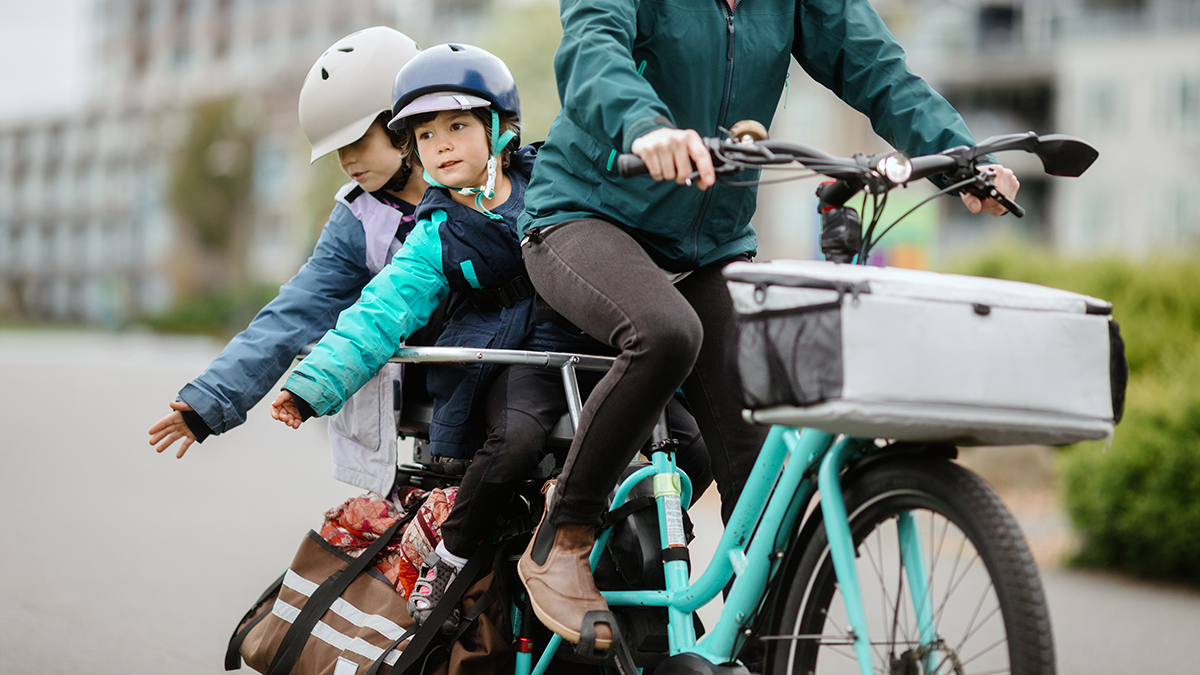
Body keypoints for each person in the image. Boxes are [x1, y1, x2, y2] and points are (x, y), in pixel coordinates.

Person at [513, 0, 1023, 649]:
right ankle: (565, 534)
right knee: (666, 332)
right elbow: (593, 48)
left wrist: (958, 155)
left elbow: (873, 63)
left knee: (763, 467)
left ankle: (756, 649)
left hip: (709, 246)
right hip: (586, 217)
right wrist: (643, 126)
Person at [268, 43, 714, 631]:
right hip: (521, 358)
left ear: (501, 129)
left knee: (693, 445)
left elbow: (616, 160)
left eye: (457, 125)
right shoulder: (434, 235)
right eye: (425, 136)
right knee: (515, 443)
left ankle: (602, 527)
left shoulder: (554, 176)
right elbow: (378, 312)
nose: (442, 144)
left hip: (596, 350)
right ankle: (448, 558)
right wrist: (310, 386)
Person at [146, 27, 430, 496]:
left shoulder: (484, 180)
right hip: (428, 409)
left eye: (356, 140)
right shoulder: (357, 218)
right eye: (337, 148)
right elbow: (293, 311)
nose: (346, 160)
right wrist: (210, 399)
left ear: (400, 124)